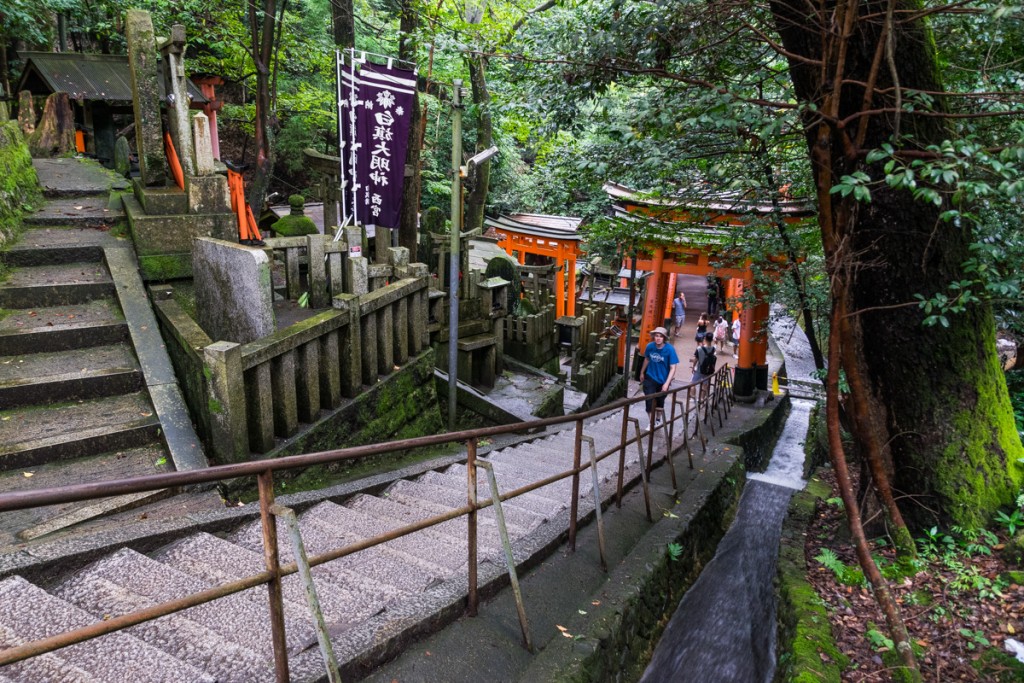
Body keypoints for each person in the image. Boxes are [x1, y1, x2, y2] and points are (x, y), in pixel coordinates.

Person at [639, 327, 679, 427]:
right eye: (656, 336)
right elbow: (647, 359)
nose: (658, 338)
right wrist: (642, 372)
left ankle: (657, 419)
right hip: (650, 377)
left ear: (664, 338)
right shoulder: (650, 346)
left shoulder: (669, 349)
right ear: (654, 337)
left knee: (660, 401)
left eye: (661, 336)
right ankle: (651, 423)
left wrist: (666, 383)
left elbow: (673, 368)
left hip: (663, 379)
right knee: (649, 400)